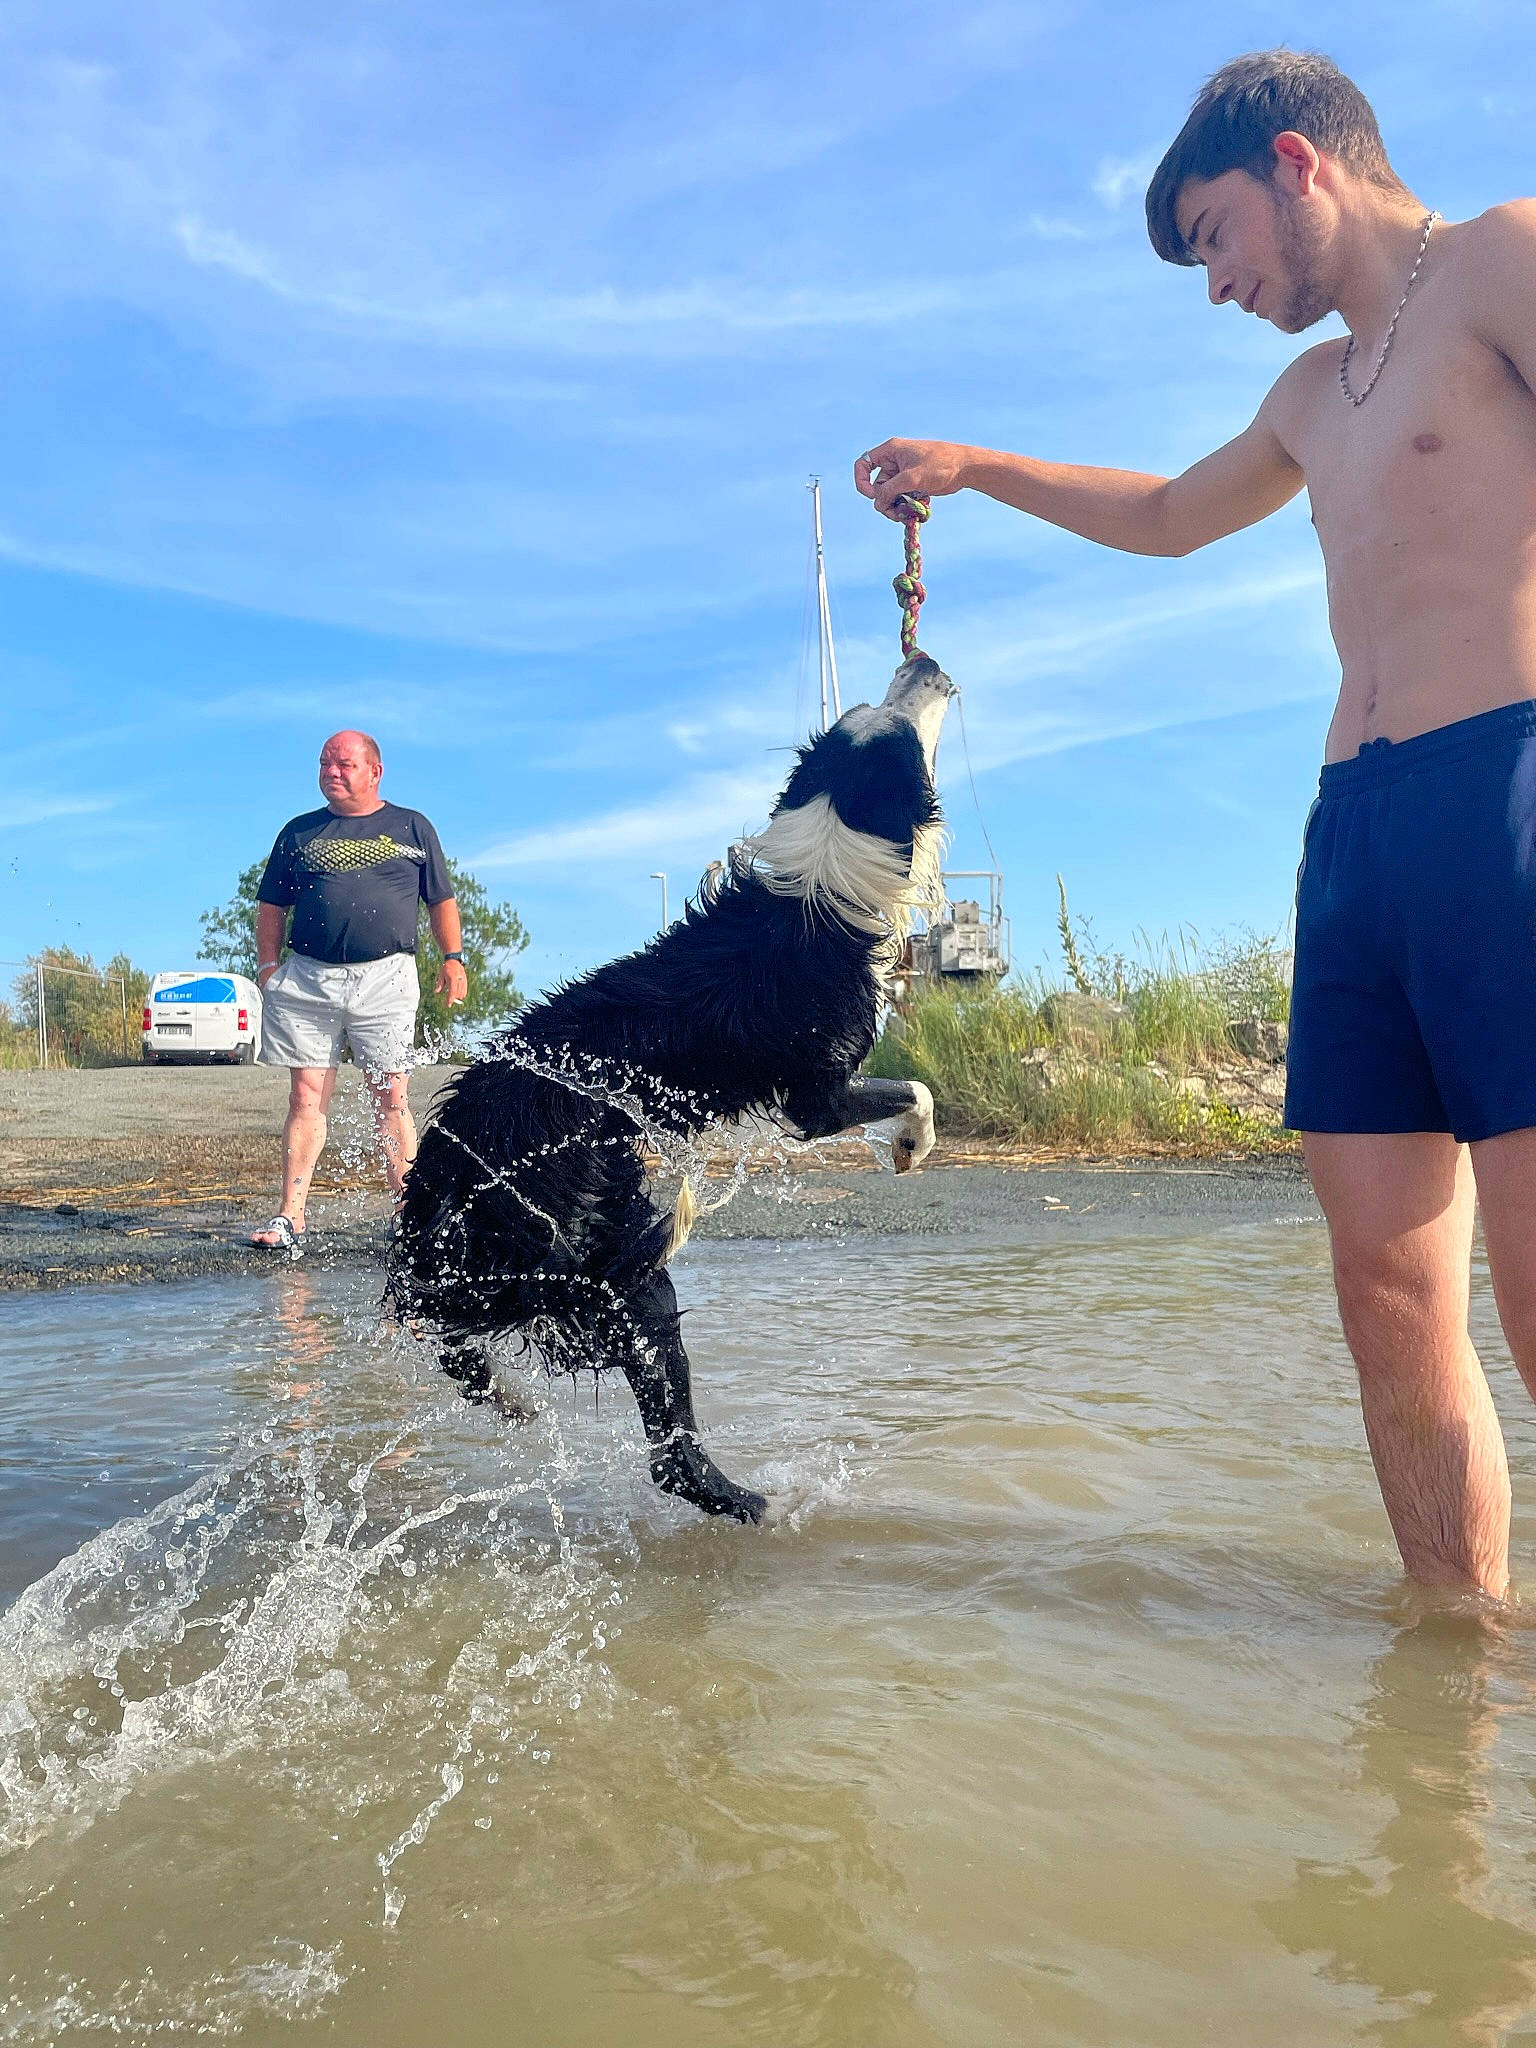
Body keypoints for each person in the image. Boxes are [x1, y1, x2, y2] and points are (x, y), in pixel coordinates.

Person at [857, 49, 1536, 1601]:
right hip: (1355, 836)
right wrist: (975, 467)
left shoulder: (1504, 255)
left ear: (1297, 163)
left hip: (1511, 788)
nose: (1215, 282)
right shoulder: (1311, 393)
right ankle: (1455, 1669)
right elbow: (1167, 517)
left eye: (1215, 234)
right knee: (1386, 1281)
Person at [250, 729, 467, 1253]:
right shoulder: (299, 833)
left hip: (387, 979)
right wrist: (268, 967)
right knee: (305, 1096)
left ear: (375, 771)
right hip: (307, 979)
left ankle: (410, 1216)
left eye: (344, 763)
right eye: (325, 763)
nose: (332, 771)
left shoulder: (412, 826)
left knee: (391, 1098)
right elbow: (271, 906)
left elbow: (441, 900)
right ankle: (290, 1218)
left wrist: (454, 959)